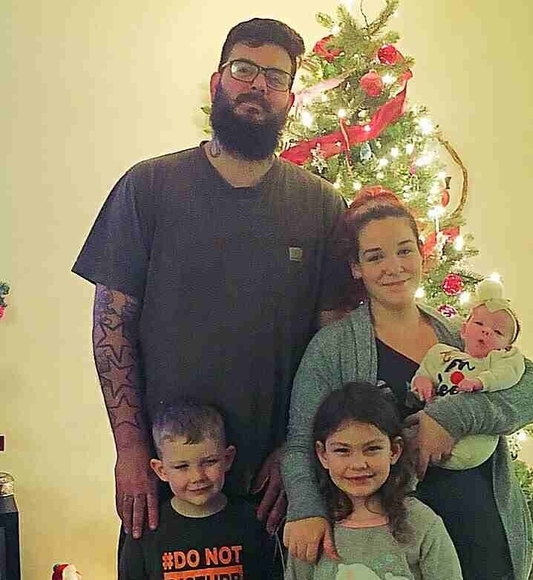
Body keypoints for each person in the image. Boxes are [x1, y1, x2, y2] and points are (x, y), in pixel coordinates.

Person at [72, 15, 349, 550]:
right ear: (218, 81)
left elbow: (332, 346)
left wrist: (298, 453)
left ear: (290, 99)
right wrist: (131, 450)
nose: (258, 85)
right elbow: (112, 326)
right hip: (169, 480)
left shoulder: (320, 205)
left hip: (275, 489)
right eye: (244, 69)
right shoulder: (149, 187)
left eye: (276, 77)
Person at [281, 188, 533, 580]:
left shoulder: (461, 336)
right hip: (396, 549)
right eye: (375, 256)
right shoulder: (334, 348)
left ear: (422, 255)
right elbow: (300, 441)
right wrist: (306, 509)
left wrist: (451, 417)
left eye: (404, 250)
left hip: (480, 531)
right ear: (356, 267)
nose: (393, 267)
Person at [285, 381, 463, 580]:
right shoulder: (310, 531)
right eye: (342, 450)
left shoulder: (421, 523)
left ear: (394, 450)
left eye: (372, 449)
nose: (359, 464)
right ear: (323, 455)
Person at [119, 398, 273, 580]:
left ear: (228, 459)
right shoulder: (145, 531)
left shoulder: (254, 522)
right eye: (182, 466)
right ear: (161, 470)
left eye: (209, 462)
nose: (198, 477)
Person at [411, 278, 525, 470]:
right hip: (428, 428)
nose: (486, 331)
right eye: (479, 323)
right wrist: (422, 382)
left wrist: (481, 382)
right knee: (408, 436)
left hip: (474, 441)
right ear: (463, 330)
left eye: (498, 332)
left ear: (507, 347)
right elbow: (425, 372)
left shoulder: (496, 362)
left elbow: (508, 373)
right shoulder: (442, 353)